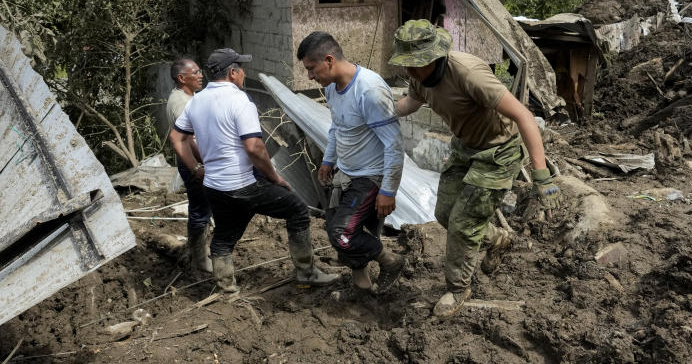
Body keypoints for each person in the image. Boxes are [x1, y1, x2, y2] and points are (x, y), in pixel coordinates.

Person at [390, 20, 563, 318]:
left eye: (415, 64)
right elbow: (411, 103)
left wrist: (542, 176)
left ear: (434, 56)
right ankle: (498, 238)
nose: (410, 71)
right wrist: (381, 112)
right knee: (444, 213)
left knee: (463, 224)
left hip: (498, 152)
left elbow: (524, 115)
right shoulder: (419, 76)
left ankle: (458, 288)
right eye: (406, 64)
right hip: (464, 148)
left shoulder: (469, 74)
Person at [170, 48, 337, 292]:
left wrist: (196, 168)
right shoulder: (240, 100)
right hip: (242, 185)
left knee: (224, 238)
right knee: (298, 210)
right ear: (233, 72)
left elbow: (177, 137)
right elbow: (254, 147)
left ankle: (227, 289)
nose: (244, 74)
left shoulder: (197, 101)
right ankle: (306, 271)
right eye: (242, 69)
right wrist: (274, 177)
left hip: (214, 186)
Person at [296, 31, 406, 292]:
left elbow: (394, 144)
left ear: (329, 60)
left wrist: (388, 190)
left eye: (312, 69)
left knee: (341, 234)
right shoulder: (334, 88)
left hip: (370, 176)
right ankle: (362, 287)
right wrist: (328, 160)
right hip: (345, 172)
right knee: (340, 228)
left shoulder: (369, 91)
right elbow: (338, 127)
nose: (310, 76)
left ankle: (390, 261)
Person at [165, 58, 212, 273]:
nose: (200, 75)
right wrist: (201, 164)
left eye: (200, 70)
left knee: (205, 206)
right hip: (193, 161)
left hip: (198, 159)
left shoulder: (191, 97)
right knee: (200, 208)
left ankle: (202, 251)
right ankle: (199, 258)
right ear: (182, 78)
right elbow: (189, 138)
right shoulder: (180, 102)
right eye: (195, 72)